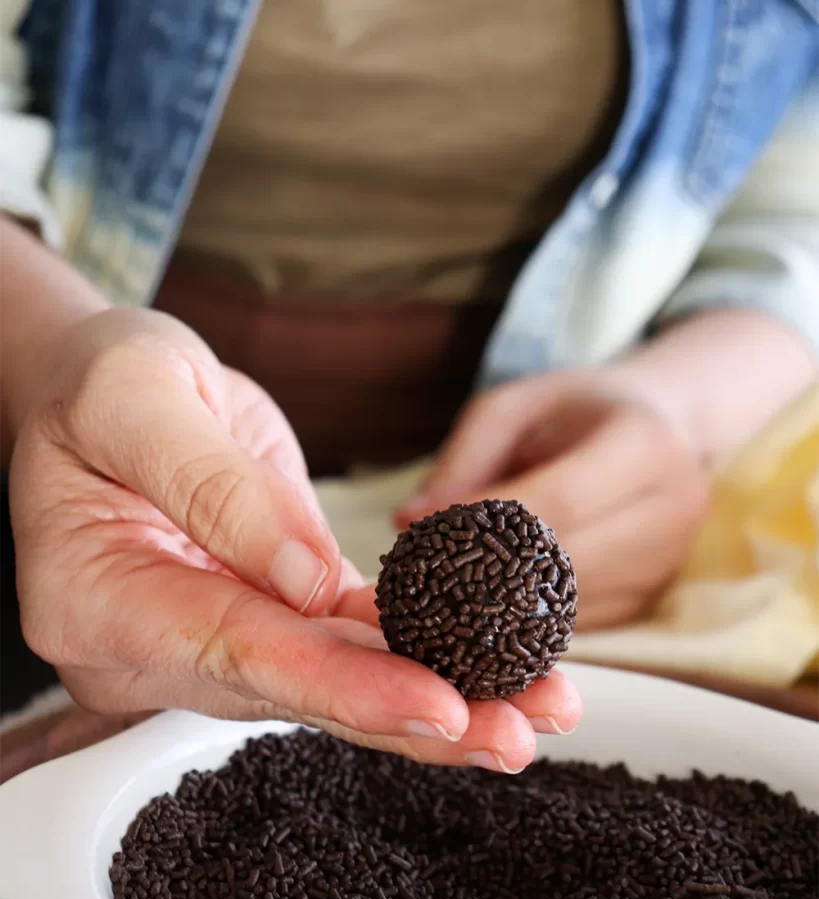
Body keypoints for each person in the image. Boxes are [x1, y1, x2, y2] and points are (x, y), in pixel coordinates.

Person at [0, 1, 818, 773]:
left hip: (576, 501)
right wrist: (52, 357)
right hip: (76, 450)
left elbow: (794, 212)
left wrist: (675, 403)